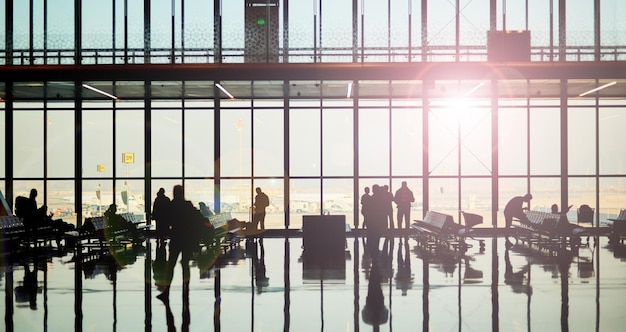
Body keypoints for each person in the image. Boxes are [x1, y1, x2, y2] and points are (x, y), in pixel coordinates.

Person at [157, 185, 205, 302]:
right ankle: (186, 289)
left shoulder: (172, 206)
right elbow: (198, 218)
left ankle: (167, 290)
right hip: (187, 239)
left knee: (171, 265)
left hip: (176, 238)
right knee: (185, 264)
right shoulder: (188, 205)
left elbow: (167, 221)